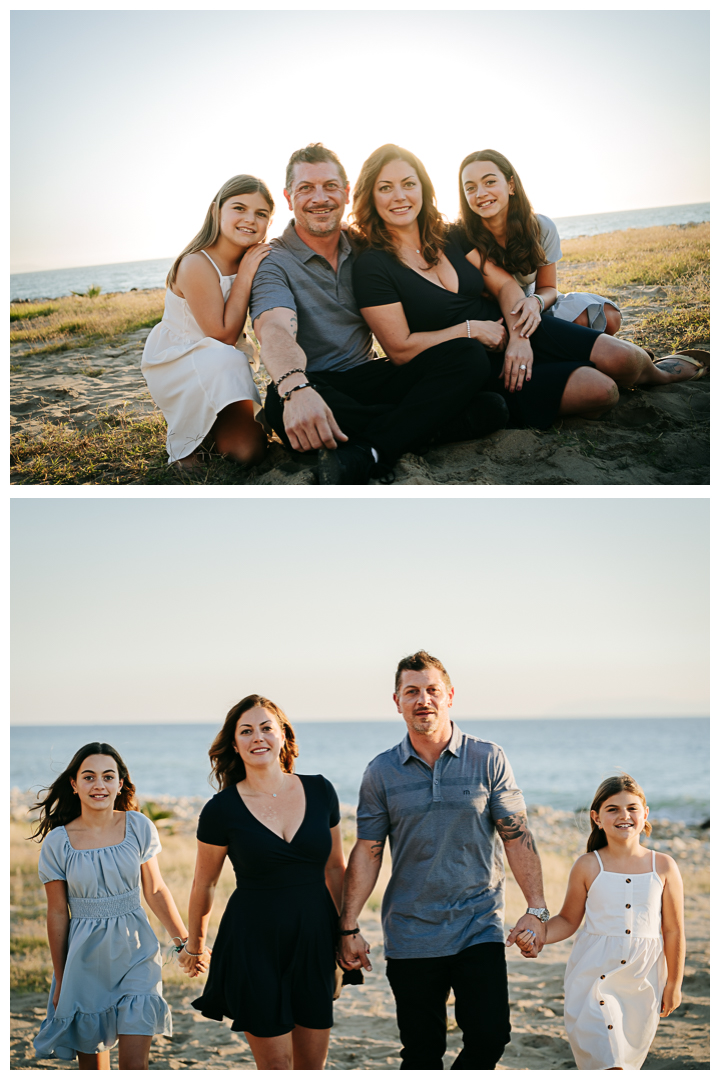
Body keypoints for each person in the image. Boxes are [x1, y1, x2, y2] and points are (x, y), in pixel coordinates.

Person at [338, 651, 549, 1070]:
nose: (423, 700)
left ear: (449, 696)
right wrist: (348, 925)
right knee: (421, 1052)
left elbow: (516, 835)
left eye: (432, 690)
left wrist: (537, 909)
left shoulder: (488, 758)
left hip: (479, 923)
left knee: (490, 1036)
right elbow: (368, 850)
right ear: (396, 701)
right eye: (411, 692)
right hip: (411, 931)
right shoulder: (381, 772)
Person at [249, 143, 507, 486]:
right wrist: (297, 389)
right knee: (280, 404)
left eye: (329, 186)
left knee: (468, 355)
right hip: (318, 384)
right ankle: (405, 433)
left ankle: (371, 445)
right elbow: (275, 329)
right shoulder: (274, 261)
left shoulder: (363, 246)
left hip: (375, 376)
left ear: (346, 192)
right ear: (288, 197)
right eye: (306, 188)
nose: (320, 198)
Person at [351, 143, 640, 432]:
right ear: (371, 196)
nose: (400, 196)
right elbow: (400, 349)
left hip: (517, 327)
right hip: (475, 366)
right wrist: (472, 329)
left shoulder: (452, 235)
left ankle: (658, 373)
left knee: (623, 359)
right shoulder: (372, 264)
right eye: (386, 188)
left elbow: (503, 285)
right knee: (602, 391)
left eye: (409, 184)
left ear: (423, 189)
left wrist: (519, 338)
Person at [183, 694, 346, 1070]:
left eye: (266, 727)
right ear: (235, 744)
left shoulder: (321, 791)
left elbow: (335, 869)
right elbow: (204, 884)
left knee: (311, 1066)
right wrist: (195, 944)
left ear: (283, 736)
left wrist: (345, 928)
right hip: (252, 941)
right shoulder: (220, 809)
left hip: (315, 937)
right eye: (246, 730)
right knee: (275, 1067)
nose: (258, 737)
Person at [458, 149, 709, 392]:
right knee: (600, 350)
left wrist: (535, 302)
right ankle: (641, 371)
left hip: (535, 307)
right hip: (502, 319)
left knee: (608, 316)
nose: (481, 193)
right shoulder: (464, 238)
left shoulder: (540, 227)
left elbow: (548, 288)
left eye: (490, 182)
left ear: (511, 185)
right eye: (470, 187)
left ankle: (631, 364)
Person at [31, 743, 191, 1069]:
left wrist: (184, 942)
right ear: (74, 785)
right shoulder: (57, 843)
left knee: (135, 1066)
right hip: (84, 962)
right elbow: (58, 912)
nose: (99, 785)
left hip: (137, 954)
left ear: (120, 783)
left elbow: (156, 890)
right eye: (89, 777)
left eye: (108, 776)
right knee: (95, 1069)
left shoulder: (139, 826)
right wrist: (62, 979)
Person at [511, 774, 685, 1071]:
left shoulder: (664, 866)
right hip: (593, 977)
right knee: (610, 1059)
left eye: (632, 808)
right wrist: (537, 934)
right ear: (597, 818)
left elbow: (673, 930)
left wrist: (674, 984)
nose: (624, 815)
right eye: (612, 809)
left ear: (645, 814)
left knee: (625, 1063)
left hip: (642, 981)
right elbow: (567, 920)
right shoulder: (588, 865)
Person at [142, 174, 273, 470]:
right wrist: (246, 274)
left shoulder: (252, 257)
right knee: (226, 357)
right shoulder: (196, 263)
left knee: (248, 453)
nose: (250, 219)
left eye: (261, 213)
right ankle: (189, 438)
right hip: (184, 363)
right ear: (217, 211)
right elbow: (222, 336)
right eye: (239, 208)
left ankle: (215, 428)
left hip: (224, 364)